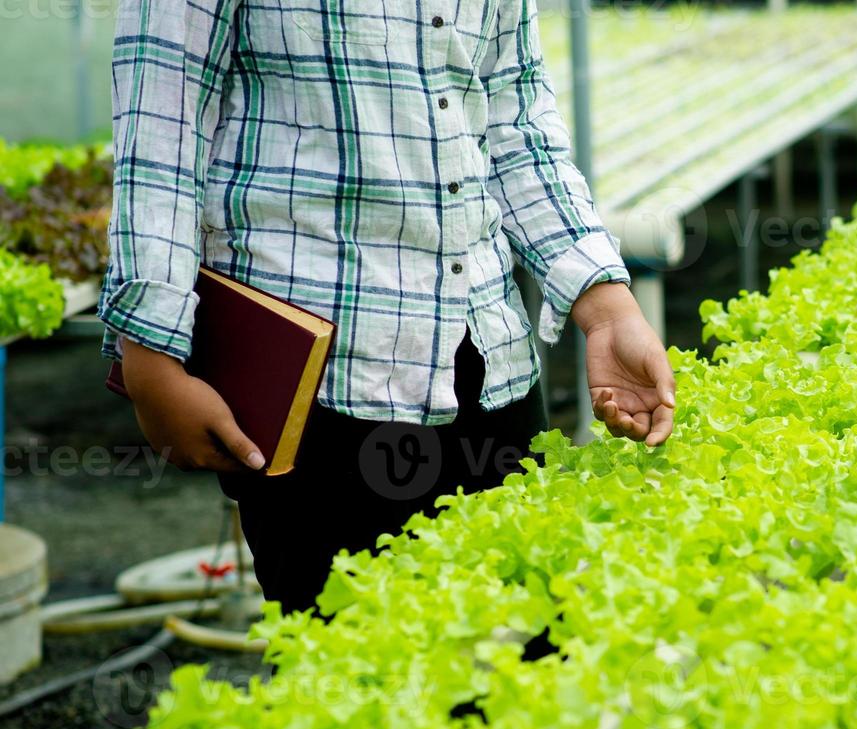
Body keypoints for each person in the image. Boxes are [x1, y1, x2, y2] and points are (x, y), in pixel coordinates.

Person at [99, 0, 675, 613]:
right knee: (350, 670)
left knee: (522, 660)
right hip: (320, 382)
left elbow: (517, 126)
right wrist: (152, 353)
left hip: (488, 364)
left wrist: (608, 309)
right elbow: (161, 129)